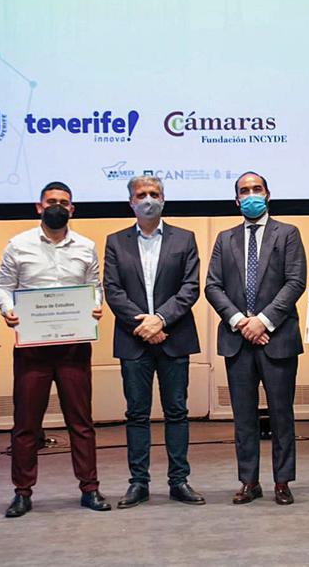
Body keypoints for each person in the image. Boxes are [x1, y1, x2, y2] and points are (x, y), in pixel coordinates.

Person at [0, 181, 110, 516]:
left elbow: (94, 287)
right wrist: (8, 310)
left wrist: (96, 305)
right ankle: (22, 491)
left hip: (74, 348)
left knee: (81, 421)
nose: (57, 206)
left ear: (72, 209)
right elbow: (3, 288)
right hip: (32, 349)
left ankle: (90, 488)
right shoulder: (19, 245)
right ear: (39, 207)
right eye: (51, 201)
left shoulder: (86, 246)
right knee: (26, 423)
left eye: (64, 202)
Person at [205, 172, 308, 505]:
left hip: (276, 339)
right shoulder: (224, 239)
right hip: (237, 339)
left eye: (256, 189)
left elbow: (295, 282)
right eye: (244, 191)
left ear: (268, 194)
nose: (251, 195)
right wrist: (240, 321)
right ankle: (249, 481)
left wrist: (262, 322)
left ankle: (282, 481)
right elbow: (212, 286)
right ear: (236, 200)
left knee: (281, 414)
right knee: (243, 416)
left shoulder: (288, 234)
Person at [103, 175, 204, 508]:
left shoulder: (185, 239)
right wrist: (144, 324)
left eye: (154, 193)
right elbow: (113, 290)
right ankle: (138, 483)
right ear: (130, 202)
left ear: (164, 198)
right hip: (134, 340)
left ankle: (179, 481)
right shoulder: (115, 242)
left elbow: (190, 288)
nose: (148, 199)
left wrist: (159, 319)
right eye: (141, 194)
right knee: (136, 414)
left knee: (177, 411)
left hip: (173, 336)